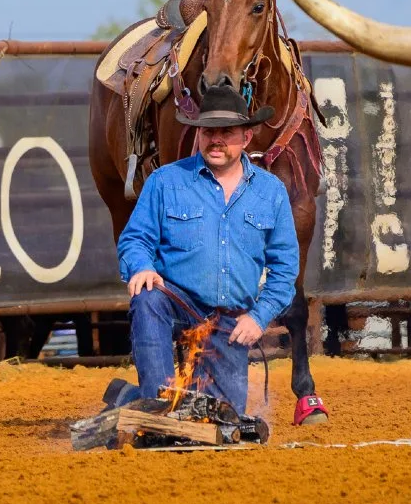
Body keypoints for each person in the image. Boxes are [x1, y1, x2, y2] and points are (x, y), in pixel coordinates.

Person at [114, 85, 299, 415]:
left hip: (231, 322)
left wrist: (259, 317)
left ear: (247, 136)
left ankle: (129, 401)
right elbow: (135, 239)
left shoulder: (271, 193)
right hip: (176, 302)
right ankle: (157, 401)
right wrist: (141, 266)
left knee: (220, 417)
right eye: (208, 131)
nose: (216, 140)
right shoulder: (165, 181)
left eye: (226, 132)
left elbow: (285, 269)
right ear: (198, 134)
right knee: (148, 298)